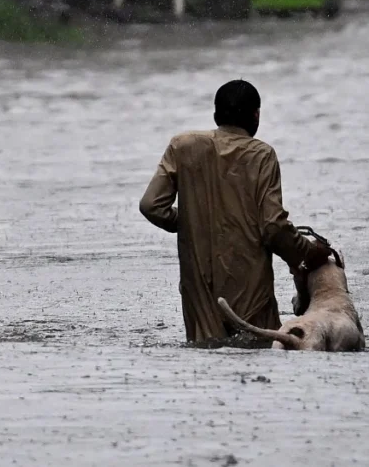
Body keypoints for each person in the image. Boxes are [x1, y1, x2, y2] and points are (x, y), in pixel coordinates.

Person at [139, 79, 332, 343]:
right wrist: (310, 253)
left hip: (200, 295)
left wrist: (192, 221)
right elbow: (274, 227)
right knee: (257, 353)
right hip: (251, 295)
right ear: (256, 115)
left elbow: (151, 205)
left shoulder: (182, 146)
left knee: (205, 361)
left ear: (216, 114)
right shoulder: (262, 155)